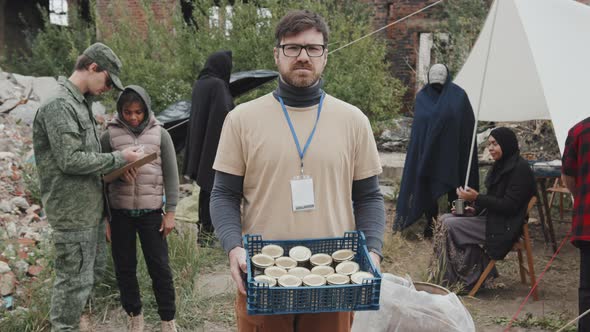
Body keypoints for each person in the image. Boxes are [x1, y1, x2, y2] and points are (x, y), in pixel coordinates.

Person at [210, 10, 385, 332]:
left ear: (325, 55)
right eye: (292, 48)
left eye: (312, 48)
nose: (303, 56)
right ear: (277, 54)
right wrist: (234, 247)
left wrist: (373, 250)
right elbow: (223, 193)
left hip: (336, 274)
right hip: (262, 274)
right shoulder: (242, 120)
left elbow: (369, 196)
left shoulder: (353, 120)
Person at [32, 42, 143, 331]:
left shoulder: (79, 103)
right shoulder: (59, 104)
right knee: (72, 284)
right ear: (93, 68)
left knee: (86, 279)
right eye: (108, 81)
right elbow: (70, 160)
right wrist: (119, 158)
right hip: (72, 212)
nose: (108, 89)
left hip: (89, 209)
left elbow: (87, 160)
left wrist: (117, 170)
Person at [100, 85, 178, 332]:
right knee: (125, 268)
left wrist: (171, 212)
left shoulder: (160, 134)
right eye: (127, 112)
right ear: (119, 111)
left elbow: (172, 175)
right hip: (119, 214)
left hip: (152, 213)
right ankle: (135, 317)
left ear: (146, 110)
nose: (133, 117)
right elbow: (99, 178)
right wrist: (105, 219)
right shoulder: (108, 137)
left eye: (138, 112)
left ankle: (168, 320)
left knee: (160, 268)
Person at [433, 127, 535, 290]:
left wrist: (476, 198)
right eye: (489, 144)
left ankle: (459, 279)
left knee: (449, 225)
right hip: (494, 218)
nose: (491, 148)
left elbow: (509, 206)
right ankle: (452, 275)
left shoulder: (520, 169)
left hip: (506, 225)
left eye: (495, 144)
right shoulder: (501, 166)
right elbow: (495, 199)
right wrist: (474, 210)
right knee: (445, 218)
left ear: (506, 144)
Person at [394, 63, 479, 238]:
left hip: (453, 153)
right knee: (427, 186)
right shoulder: (422, 97)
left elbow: (467, 125)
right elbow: (419, 130)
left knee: (457, 190)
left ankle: (456, 225)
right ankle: (430, 225)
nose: (437, 85)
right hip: (429, 154)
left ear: (447, 76)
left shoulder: (459, 96)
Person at [182, 50, 234, 241]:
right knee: (215, 190)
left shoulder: (200, 84)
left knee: (205, 190)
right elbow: (225, 115)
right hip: (215, 146)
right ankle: (210, 233)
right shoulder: (218, 85)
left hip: (201, 144)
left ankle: (204, 233)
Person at [561, 118, 590, 331]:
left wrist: (580, 196)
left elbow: (568, 177)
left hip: (587, 221)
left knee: (588, 289)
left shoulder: (579, 130)